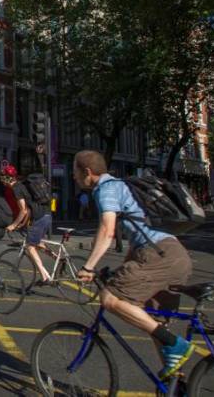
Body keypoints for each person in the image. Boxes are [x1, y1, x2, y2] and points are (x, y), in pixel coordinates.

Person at [73, 150, 194, 380]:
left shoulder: (106, 190)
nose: (74, 178)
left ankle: (176, 346)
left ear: (87, 172)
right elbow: (136, 241)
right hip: (175, 254)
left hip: (159, 256)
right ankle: (177, 386)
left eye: (75, 173)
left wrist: (88, 267)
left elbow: (107, 231)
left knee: (109, 298)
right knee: (156, 323)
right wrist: (124, 268)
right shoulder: (124, 186)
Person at [1, 166, 53, 285]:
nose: (2, 181)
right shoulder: (23, 186)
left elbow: (23, 210)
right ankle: (58, 259)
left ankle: (45, 278)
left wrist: (13, 225)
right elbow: (29, 209)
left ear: (7, 178)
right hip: (46, 215)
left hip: (40, 217)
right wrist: (22, 224)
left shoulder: (16, 189)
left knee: (30, 247)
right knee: (37, 243)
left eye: (2, 178)